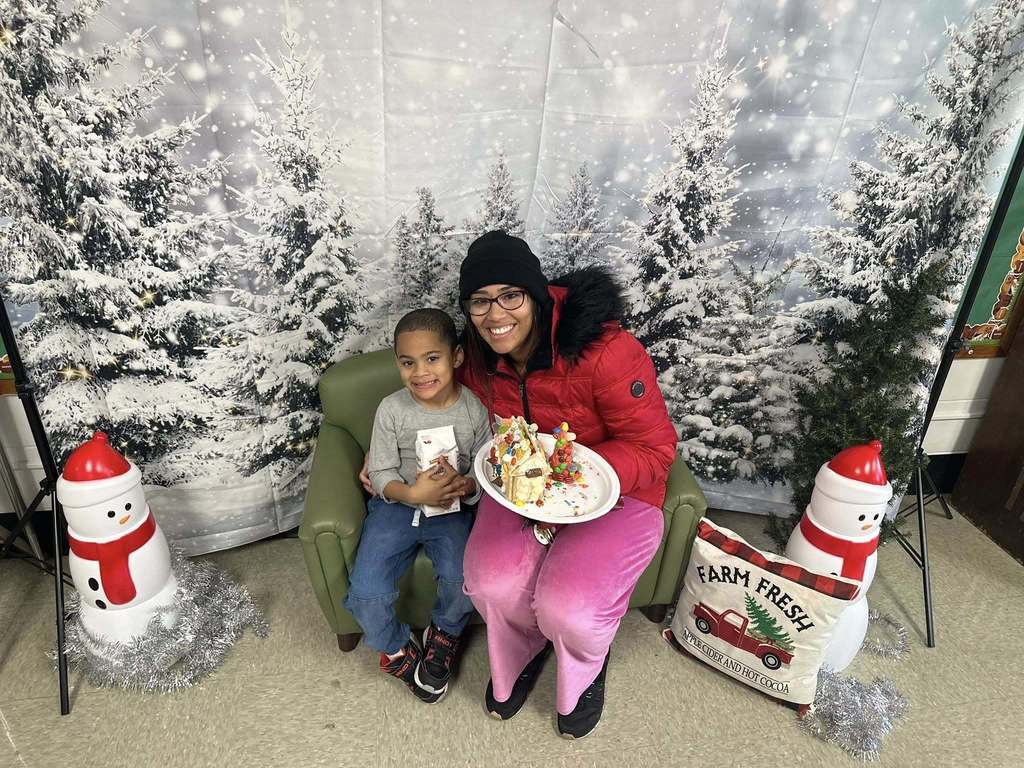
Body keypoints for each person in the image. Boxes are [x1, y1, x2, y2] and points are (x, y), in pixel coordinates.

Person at [362, 231, 677, 736]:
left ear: (534, 294)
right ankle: (524, 651)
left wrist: (576, 473)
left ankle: (585, 660)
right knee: (489, 582)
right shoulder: (476, 357)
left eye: (510, 296)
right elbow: (426, 394)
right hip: (519, 487)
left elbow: (655, 449)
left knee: (569, 608)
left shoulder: (607, 351)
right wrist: (377, 457)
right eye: (481, 301)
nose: (496, 313)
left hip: (615, 491)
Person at [346, 308, 491, 703]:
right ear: (397, 363)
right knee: (366, 590)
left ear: (456, 357)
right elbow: (379, 471)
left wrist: (465, 485)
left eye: (432, 358)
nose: (420, 372)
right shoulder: (392, 409)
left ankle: (443, 633)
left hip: (452, 510)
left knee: (464, 580)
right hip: (397, 506)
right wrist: (411, 494)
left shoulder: (473, 409)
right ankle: (394, 647)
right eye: (408, 362)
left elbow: (485, 467)